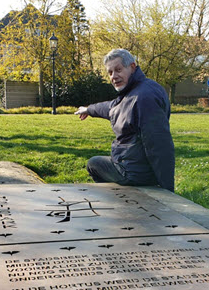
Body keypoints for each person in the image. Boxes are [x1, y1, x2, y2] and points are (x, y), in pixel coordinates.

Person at [75, 49, 175, 192]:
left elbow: (159, 143)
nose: (114, 76)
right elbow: (110, 108)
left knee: (94, 164)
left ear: (132, 67)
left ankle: (120, 199)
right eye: (110, 72)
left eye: (118, 70)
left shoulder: (143, 98)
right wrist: (88, 109)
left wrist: (168, 190)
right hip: (135, 167)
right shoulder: (135, 91)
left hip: (133, 172)